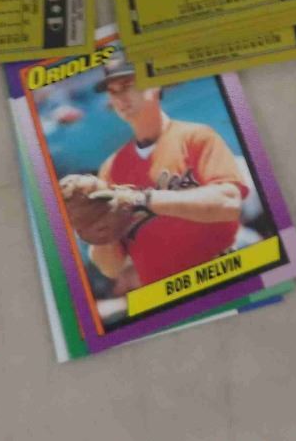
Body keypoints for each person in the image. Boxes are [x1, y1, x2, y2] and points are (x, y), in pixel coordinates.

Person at [59, 58, 252, 288]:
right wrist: (98, 234)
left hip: (224, 274)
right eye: (113, 91)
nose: (120, 97)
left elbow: (230, 203)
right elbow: (112, 268)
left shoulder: (196, 137)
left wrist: (142, 200)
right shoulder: (111, 168)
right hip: (166, 292)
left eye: (128, 85)